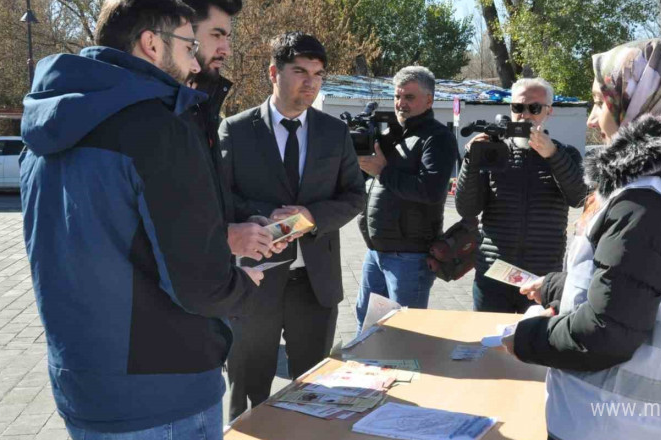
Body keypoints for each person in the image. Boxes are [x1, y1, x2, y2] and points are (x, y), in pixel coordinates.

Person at [19, 0, 267, 438]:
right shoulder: (157, 127)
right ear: (152, 44)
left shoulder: (45, 127)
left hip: (83, 383)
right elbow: (198, 280)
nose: (195, 60)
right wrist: (243, 288)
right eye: (191, 45)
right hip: (164, 393)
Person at [507, 39, 661, 440]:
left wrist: (525, 339)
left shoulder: (646, 203)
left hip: (615, 424)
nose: (591, 119)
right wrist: (555, 287)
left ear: (644, 104)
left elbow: (604, 335)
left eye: (601, 102)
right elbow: (645, 290)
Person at [219, 31, 365, 420]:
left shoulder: (334, 133)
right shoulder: (235, 130)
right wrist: (262, 217)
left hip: (314, 287)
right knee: (248, 394)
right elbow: (220, 198)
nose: (310, 82)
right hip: (255, 283)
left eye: (317, 74)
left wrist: (311, 217)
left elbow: (354, 196)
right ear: (273, 72)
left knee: (315, 394)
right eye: (300, 71)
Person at [456, 77, 586, 314]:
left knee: (535, 348)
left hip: (542, 277)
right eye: (518, 107)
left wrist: (553, 156)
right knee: (488, 346)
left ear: (549, 111)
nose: (525, 115)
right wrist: (471, 161)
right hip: (494, 275)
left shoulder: (566, 153)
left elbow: (578, 198)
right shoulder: (493, 152)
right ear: (510, 109)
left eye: (534, 108)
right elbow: (467, 209)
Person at [354, 66, 458, 328]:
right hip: (375, 251)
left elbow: (431, 190)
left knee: (404, 333)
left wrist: (382, 171)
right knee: (366, 325)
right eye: (397, 97)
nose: (401, 104)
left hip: (409, 257)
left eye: (409, 97)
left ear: (429, 100)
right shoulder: (391, 134)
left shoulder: (438, 138)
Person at [182, 0, 280, 261]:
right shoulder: (152, 112)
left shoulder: (202, 108)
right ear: (182, 32)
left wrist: (244, 220)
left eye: (228, 37)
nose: (226, 49)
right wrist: (225, 238)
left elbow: (205, 194)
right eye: (216, 35)